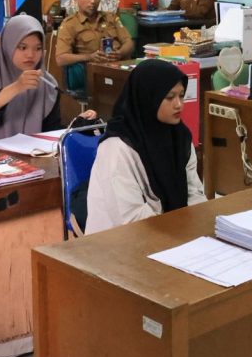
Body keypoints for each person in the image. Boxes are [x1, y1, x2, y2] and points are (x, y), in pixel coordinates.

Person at [84, 59, 206, 234]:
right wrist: (178, 232)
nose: (179, 104)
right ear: (148, 98)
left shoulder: (180, 137)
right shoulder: (117, 148)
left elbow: (195, 194)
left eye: (181, 95)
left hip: (172, 234)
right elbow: (130, 218)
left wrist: (199, 226)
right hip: (118, 244)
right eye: (170, 97)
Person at [0, 14, 94, 146]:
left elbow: (50, 132)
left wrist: (77, 125)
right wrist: (16, 87)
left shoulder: (47, 82)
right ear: (8, 45)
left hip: (31, 157)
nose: (30, 55)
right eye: (22, 47)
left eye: (38, 48)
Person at [55, 0, 133, 90]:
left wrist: (120, 53)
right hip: (92, 76)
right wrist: (89, 57)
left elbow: (129, 42)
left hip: (119, 69)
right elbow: (61, 58)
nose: (93, 0)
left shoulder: (110, 18)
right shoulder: (69, 24)